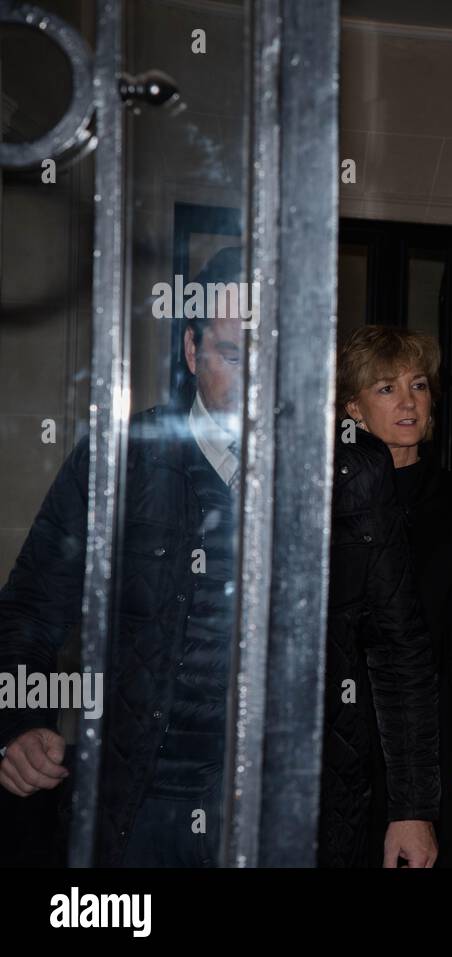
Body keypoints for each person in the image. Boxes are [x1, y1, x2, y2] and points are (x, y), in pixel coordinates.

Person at [0, 251, 246, 865]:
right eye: (234, 354)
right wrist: (19, 727)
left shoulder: (326, 477)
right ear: (193, 353)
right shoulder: (121, 462)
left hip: (272, 805)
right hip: (141, 805)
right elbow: (30, 610)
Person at [337, 325, 452, 867]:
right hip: (335, 743)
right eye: (386, 389)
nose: (408, 401)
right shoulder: (323, 499)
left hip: (427, 742)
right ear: (353, 408)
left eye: (419, 385)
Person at [318, 410, 441, 868]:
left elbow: (399, 646)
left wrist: (412, 809)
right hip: (179, 775)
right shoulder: (149, 451)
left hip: (331, 774)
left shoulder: (357, 470)